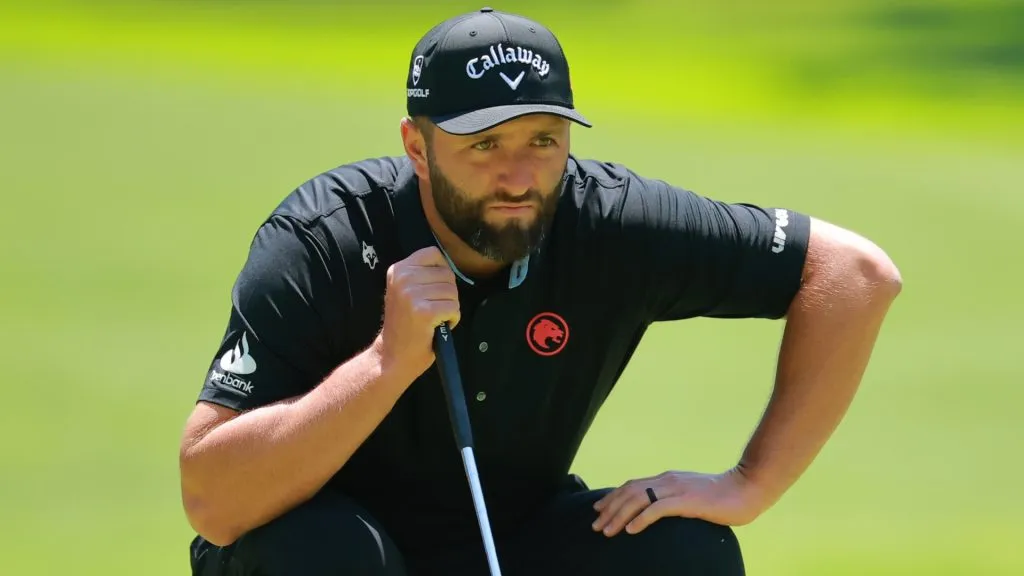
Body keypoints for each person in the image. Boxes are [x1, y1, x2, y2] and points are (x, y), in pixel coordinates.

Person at [179, 7, 903, 576]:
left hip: (512, 540)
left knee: (683, 551)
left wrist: (749, 485)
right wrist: (383, 366)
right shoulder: (326, 238)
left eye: (544, 141)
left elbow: (854, 274)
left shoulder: (608, 221)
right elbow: (213, 502)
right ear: (416, 146)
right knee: (325, 553)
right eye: (484, 145)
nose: (519, 178)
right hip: (327, 548)